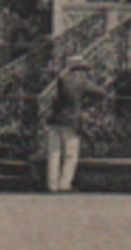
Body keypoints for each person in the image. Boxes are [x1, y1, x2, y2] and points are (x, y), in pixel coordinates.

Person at [44, 54, 107, 193]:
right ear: (80, 70)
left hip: (55, 119)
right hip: (71, 121)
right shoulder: (82, 83)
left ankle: (52, 184)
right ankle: (64, 184)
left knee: (54, 153)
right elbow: (101, 92)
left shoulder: (62, 80)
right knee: (70, 154)